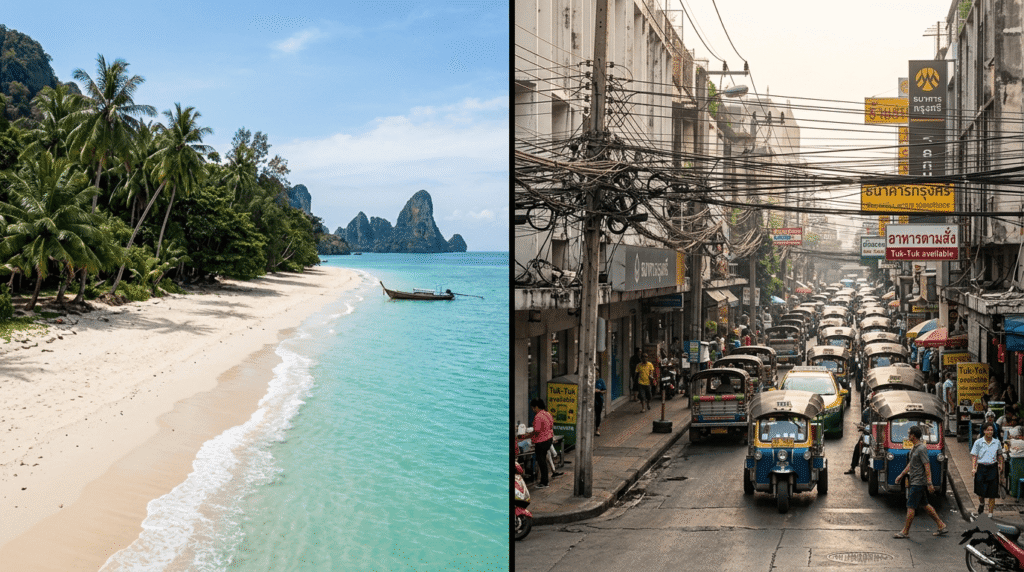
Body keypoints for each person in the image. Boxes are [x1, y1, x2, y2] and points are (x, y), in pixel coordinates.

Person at [893, 425, 948, 538]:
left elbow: (927, 466)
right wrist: (901, 475)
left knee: (911, 506)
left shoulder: (922, 449)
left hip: (918, 482)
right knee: (925, 504)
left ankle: (905, 531)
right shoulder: (914, 448)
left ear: (913, 436)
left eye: (909, 433)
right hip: (915, 481)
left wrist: (929, 483)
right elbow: (911, 464)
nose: (908, 435)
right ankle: (941, 525)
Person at [971, 421, 1004, 518]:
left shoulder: (997, 442)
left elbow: (1000, 455)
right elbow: (974, 456)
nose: (990, 432)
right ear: (984, 431)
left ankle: (990, 513)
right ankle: (982, 503)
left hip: (993, 468)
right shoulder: (978, 442)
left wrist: (1000, 464)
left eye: (992, 430)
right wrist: (973, 468)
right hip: (981, 468)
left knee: (992, 492)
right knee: (980, 491)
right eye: (988, 430)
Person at [526, 399, 555, 488]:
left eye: (533, 408)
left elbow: (537, 431)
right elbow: (551, 425)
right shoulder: (547, 414)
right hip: (548, 440)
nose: (533, 410)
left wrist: (526, 436)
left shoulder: (538, 416)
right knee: (543, 461)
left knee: (541, 462)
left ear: (536, 407)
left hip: (541, 441)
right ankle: (544, 481)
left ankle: (544, 482)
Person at [844, 405, 872, 475]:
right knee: (857, 447)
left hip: (876, 435)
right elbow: (863, 422)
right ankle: (852, 468)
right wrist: (862, 427)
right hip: (867, 434)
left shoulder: (881, 413)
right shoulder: (867, 411)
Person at [595, 367, 607, 436]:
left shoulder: (601, 381)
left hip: (599, 399)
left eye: (596, 372)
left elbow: (604, 390)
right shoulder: (590, 381)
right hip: (591, 399)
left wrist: (599, 391)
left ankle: (597, 429)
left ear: (598, 374)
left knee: (598, 414)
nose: (595, 374)